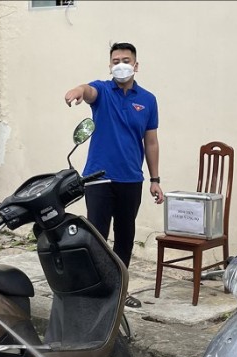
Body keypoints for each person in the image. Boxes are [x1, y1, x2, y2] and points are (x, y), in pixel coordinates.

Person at [64, 42, 164, 308]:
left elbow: (150, 142)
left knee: (125, 237)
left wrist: (155, 180)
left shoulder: (147, 100)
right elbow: (88, 91)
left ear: (136, 65)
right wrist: (77, 90)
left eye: (126, 60)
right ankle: (93, 289)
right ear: (110, 66)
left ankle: (119, 291)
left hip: (131, 179)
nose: (121, 64)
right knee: (96, 236)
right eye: (116, 60)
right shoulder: (104, 91)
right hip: (99, 178)